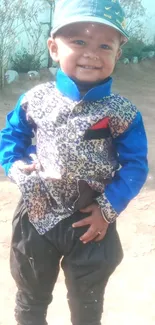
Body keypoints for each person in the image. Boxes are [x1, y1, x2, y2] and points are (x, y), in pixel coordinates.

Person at [0, 0, 148, 324]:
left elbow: (136, 164)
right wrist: (14, 165)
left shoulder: (122, 112)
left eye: (104, 45)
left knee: (87, 304)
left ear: (117, 55)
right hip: (37, 214)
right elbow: (11, 137)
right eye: (79, 41)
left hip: (91, 219)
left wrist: (108, 208)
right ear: (54, 47)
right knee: (30, 299)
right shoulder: (35, 99)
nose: (91, 53)